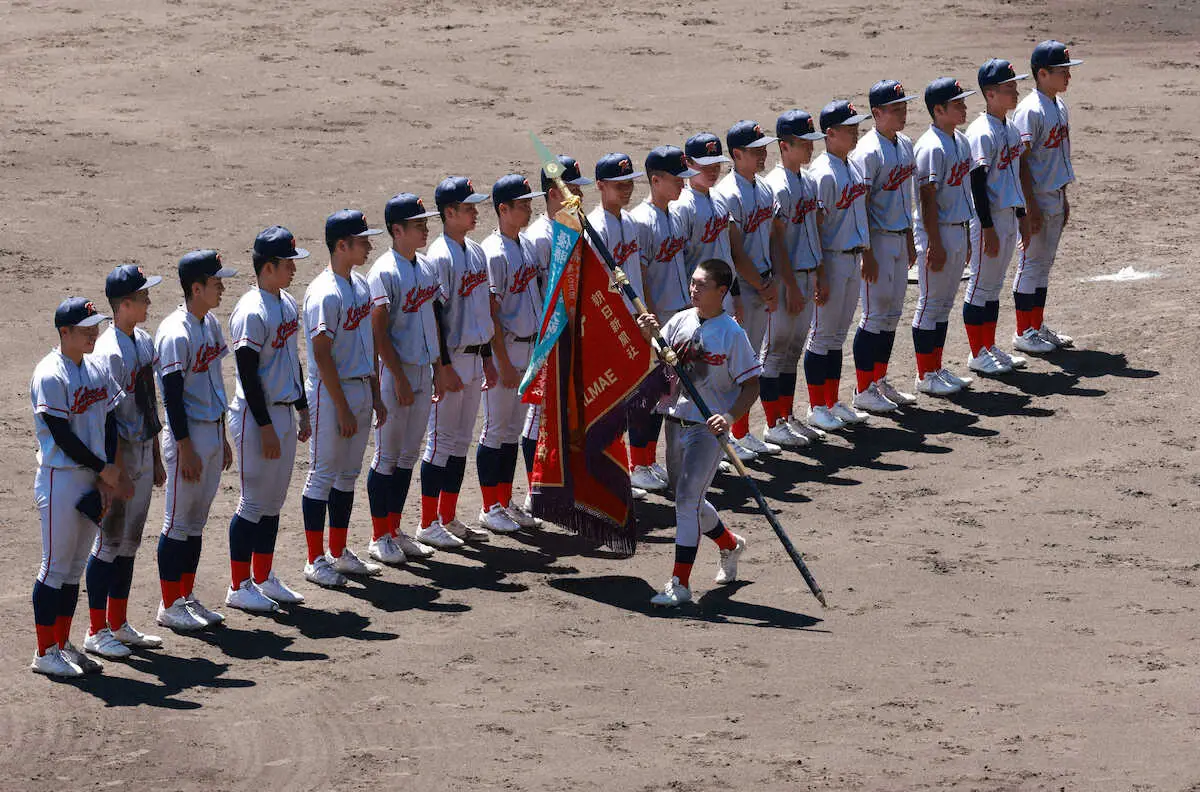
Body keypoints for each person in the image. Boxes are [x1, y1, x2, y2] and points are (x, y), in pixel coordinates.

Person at [637, 259, 754, 607]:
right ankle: (730, 544)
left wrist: (729, 417)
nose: (693, 289)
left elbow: (751, 385)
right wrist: (649, 337)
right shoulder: (680, 321)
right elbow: (661, 361)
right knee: (688, 499)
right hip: (674, 421)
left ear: (721, 291)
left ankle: (680, 583)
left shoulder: (733, 334)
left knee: (686, 501)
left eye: (702, 285)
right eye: (692, 283)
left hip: (707, 430)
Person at [29, 298, 126, 676]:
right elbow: (60, 435)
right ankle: (43, 652)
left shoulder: (96, 366)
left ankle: (63, 644)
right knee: (54, 567)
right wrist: (103, 467)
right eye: (85, 329)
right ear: (63, 333)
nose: (93, 334)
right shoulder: (50, 374)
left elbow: (111, 421)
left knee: (73, 571)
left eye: (95, 327)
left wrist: (108, 470)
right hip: (61, 478)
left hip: (93, 476)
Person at [224, 226, 312, 613]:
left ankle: (263, 577)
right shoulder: (251, 310)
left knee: (273, 503)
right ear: (269, 267)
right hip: (254, 417)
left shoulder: (286, 303)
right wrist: (264, 427)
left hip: (283, 413)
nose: (294, 269)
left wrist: (302, 409)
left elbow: (292, 361)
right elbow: (246, 371)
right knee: (252, 502)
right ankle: (238, 584)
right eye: (288, 263)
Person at [82, 267, 167, 659]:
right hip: (118, 456)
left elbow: (149, 402)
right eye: (143, 296)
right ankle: (96, 629)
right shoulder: (108, 352)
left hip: (142, 450)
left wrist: (154, 455)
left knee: (130, 543)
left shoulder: (144, 341)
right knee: (109, 542)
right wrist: (115, 473)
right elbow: (107, 419)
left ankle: (118, 623)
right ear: (125, 304)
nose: (149, 301)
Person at [300, 210, 386, 587]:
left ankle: (338, 551)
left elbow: (367, 346)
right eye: (362, 240)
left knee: (348, 476)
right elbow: (321, 354)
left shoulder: (361, 285)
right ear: (341, 245)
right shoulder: (324, 292)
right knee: (321, 476)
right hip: (330, 392)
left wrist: (375, 394)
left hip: (360, 388)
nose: (368, 245)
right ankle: (314, 559)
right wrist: (343, 406)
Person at [154, 250, 237, 631]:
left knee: (196, 523)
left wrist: (222, 437)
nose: (222, 287)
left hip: (210, 431)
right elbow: (171, 396)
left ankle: (186, 597)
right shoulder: (175, 332)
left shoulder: (210, 323)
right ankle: (169, 604)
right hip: (186, 438)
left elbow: (215, 383)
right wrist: (185, 448)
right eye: (216, 282)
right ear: (196, 287)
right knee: (176, 524)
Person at [417, 177, 497, 546]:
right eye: (468, 208)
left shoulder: (476, 251)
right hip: (451, 362)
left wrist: (489, 359)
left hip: (475, 358)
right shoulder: (439, 255)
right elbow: (435, 314)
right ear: (449, 214)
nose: (475, 212)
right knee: (440, 442)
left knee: (461, 440)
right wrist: (442, 367)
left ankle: (447, 517)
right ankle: (427, 522)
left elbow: (482, 311)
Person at [364, 194, 442, 564]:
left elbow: (432, 322)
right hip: (395, 375)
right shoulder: (383, 271)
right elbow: (379, 334)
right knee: (386, 457)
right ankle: (379, 536)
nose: (426, 228)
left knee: (408, 456)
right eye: (418, 224)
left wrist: (437, 369)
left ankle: (395, 529)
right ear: (397, 231)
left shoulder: (424, 267)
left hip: (422, 370)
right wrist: (397, 378)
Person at [521, 155, 592, 514]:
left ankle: (557, 486)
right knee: (538, 418)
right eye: (572, 190)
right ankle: (537, 493)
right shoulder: (538, 238)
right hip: (546, 338)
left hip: (572, 333)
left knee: (564, 415)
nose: (579, 197)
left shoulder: (575, 227)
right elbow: (534, 295)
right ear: (553, 193)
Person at [713, 121, 787, 456]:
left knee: (752, 361)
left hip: (763, 284)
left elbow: (771, 237)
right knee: (736, 365)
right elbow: (736, 251)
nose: (763, 155)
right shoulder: (728, 192)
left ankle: (741, 433)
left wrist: (771, 282)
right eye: (756, 150)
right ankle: (731, 436)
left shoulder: (763, 187)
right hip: (743, 288)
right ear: (737, 154)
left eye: (764, 148)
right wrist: (762, 285)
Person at [478, 174, 545, 531]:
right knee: (495, 431)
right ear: (503, 209)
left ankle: (505, 502)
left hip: (529, 348)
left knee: (511, 431)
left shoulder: (526, 244)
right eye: (522, 205)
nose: (529, 209)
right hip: (507, 351)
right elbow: (491, 312)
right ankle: (490, 507)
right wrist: (500, 361)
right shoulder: (493, 252)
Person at [849, 81, 921, 411]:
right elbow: (859, 205)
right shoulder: (866, 151)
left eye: (904, 106)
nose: (903, 112)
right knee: (874, 316)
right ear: (876, 114)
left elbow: (904, 198)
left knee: (891, 316)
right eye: (896, 108)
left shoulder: (904, 144)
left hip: (897, 238)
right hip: (876, 242)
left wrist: (909, 238)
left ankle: (879, 381)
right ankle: (863, 389)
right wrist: (867, 251)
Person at [628, 146, 697, 490]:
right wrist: (653, 325)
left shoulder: (675, 214)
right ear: (656, 180)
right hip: (658, 321)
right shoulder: (641, 221)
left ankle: (649, 461)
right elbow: (641, 275)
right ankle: (637, 463)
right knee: (648, 393)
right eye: (676, 179)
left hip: (678, 314)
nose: (683, 184)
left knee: (666, 394)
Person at [804, 100, 874, 431]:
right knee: (821, 336)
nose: (855, 133)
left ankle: (831, 401)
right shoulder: (822, 173)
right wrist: (819, 273)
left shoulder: (852, 165)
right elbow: (815, 228)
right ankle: (817, 406)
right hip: (831, 259)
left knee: (836, 336)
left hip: (852, 257)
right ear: (830, 134)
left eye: (856, 128)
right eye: (849, 130)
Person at [585, 153, 651, 499]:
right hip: (608, 329)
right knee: (605, 409)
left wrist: (642, 316)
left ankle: (617, 475)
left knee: (622, 407)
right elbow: (596, 289)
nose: (626, 189)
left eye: (629, 183)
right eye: (618, 184)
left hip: (633, 325)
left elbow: (634, 278)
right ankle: (600, 479)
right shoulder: (594, 228)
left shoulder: (629, 222)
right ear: (599, 186)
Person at [1011, 39, 1083, 353]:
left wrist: (1063, 197)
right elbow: (1021, 161)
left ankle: (1037, 326)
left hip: (1054, 195)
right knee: (1030, 263)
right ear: (1042, 74)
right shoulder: (1029, 111)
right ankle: (1023, 331)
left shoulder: (1058, 105)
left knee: (1043, 265)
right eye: (1062, 70)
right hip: (1037, 198)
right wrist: (1030, 207)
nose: (1068, 76)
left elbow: (1060, 156)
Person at [762, 110, 828, 448]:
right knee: (774, 352)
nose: (811, 149)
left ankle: (786, 417)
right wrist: (788, 284)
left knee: (791, 353)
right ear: (784, 146)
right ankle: (772, 423)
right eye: (804, 144)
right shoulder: (777, 186)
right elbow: (777, 243)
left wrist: (816, 275)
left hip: (806, 275)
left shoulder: (808, 179)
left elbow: (812, 234)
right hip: (786, 280)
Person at [911, 78, 978, 396]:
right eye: (958, 103)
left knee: (943, 306)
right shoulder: (930, 146)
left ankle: (936, 368)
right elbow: (927, 199)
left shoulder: (961, 141)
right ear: (939, 110)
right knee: (929, 305)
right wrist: (935, 244)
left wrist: (964, 235)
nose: (964, 106)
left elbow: (963, 193)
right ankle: (925, 374)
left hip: (958, 229)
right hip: (936, 235)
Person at [964, 59, 1032, 372]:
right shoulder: (980, 131)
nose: (1015, 93)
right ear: (990, 94)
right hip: (987, 219)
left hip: (1007, 216)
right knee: (979, 286)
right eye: (1009, 89)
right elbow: (977, 183)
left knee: (993, 287)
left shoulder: (1011, 128)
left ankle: (989, 346)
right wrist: (988, 226)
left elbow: (1014, 176)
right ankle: (977, 353)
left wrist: (1022, 216)